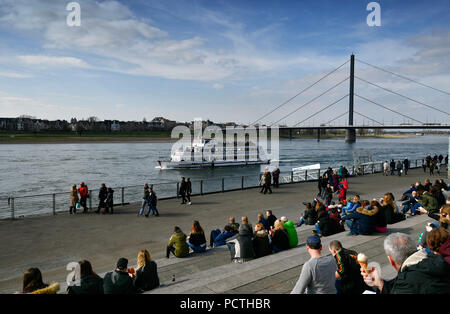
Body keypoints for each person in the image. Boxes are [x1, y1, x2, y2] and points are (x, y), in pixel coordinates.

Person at [360, 233, 450, 294]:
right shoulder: (439, 260)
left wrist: (380, 285)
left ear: (391, 260)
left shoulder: (406, 283)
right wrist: (380, 283)